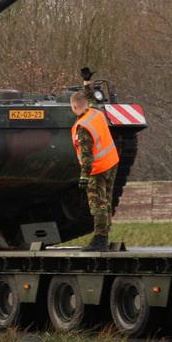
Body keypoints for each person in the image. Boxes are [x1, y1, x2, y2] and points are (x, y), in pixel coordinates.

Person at [70, 91, 119, 252]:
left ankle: (100, 239)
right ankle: (105, 233)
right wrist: (87, 85)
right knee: (107, 200)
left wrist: (84, 176)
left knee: (98, 204)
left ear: (74, 106)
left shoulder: (83, 127)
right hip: (111, 163)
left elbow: (87, 156)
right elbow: (92, 99)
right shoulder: (96, 113)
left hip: (97, 169)